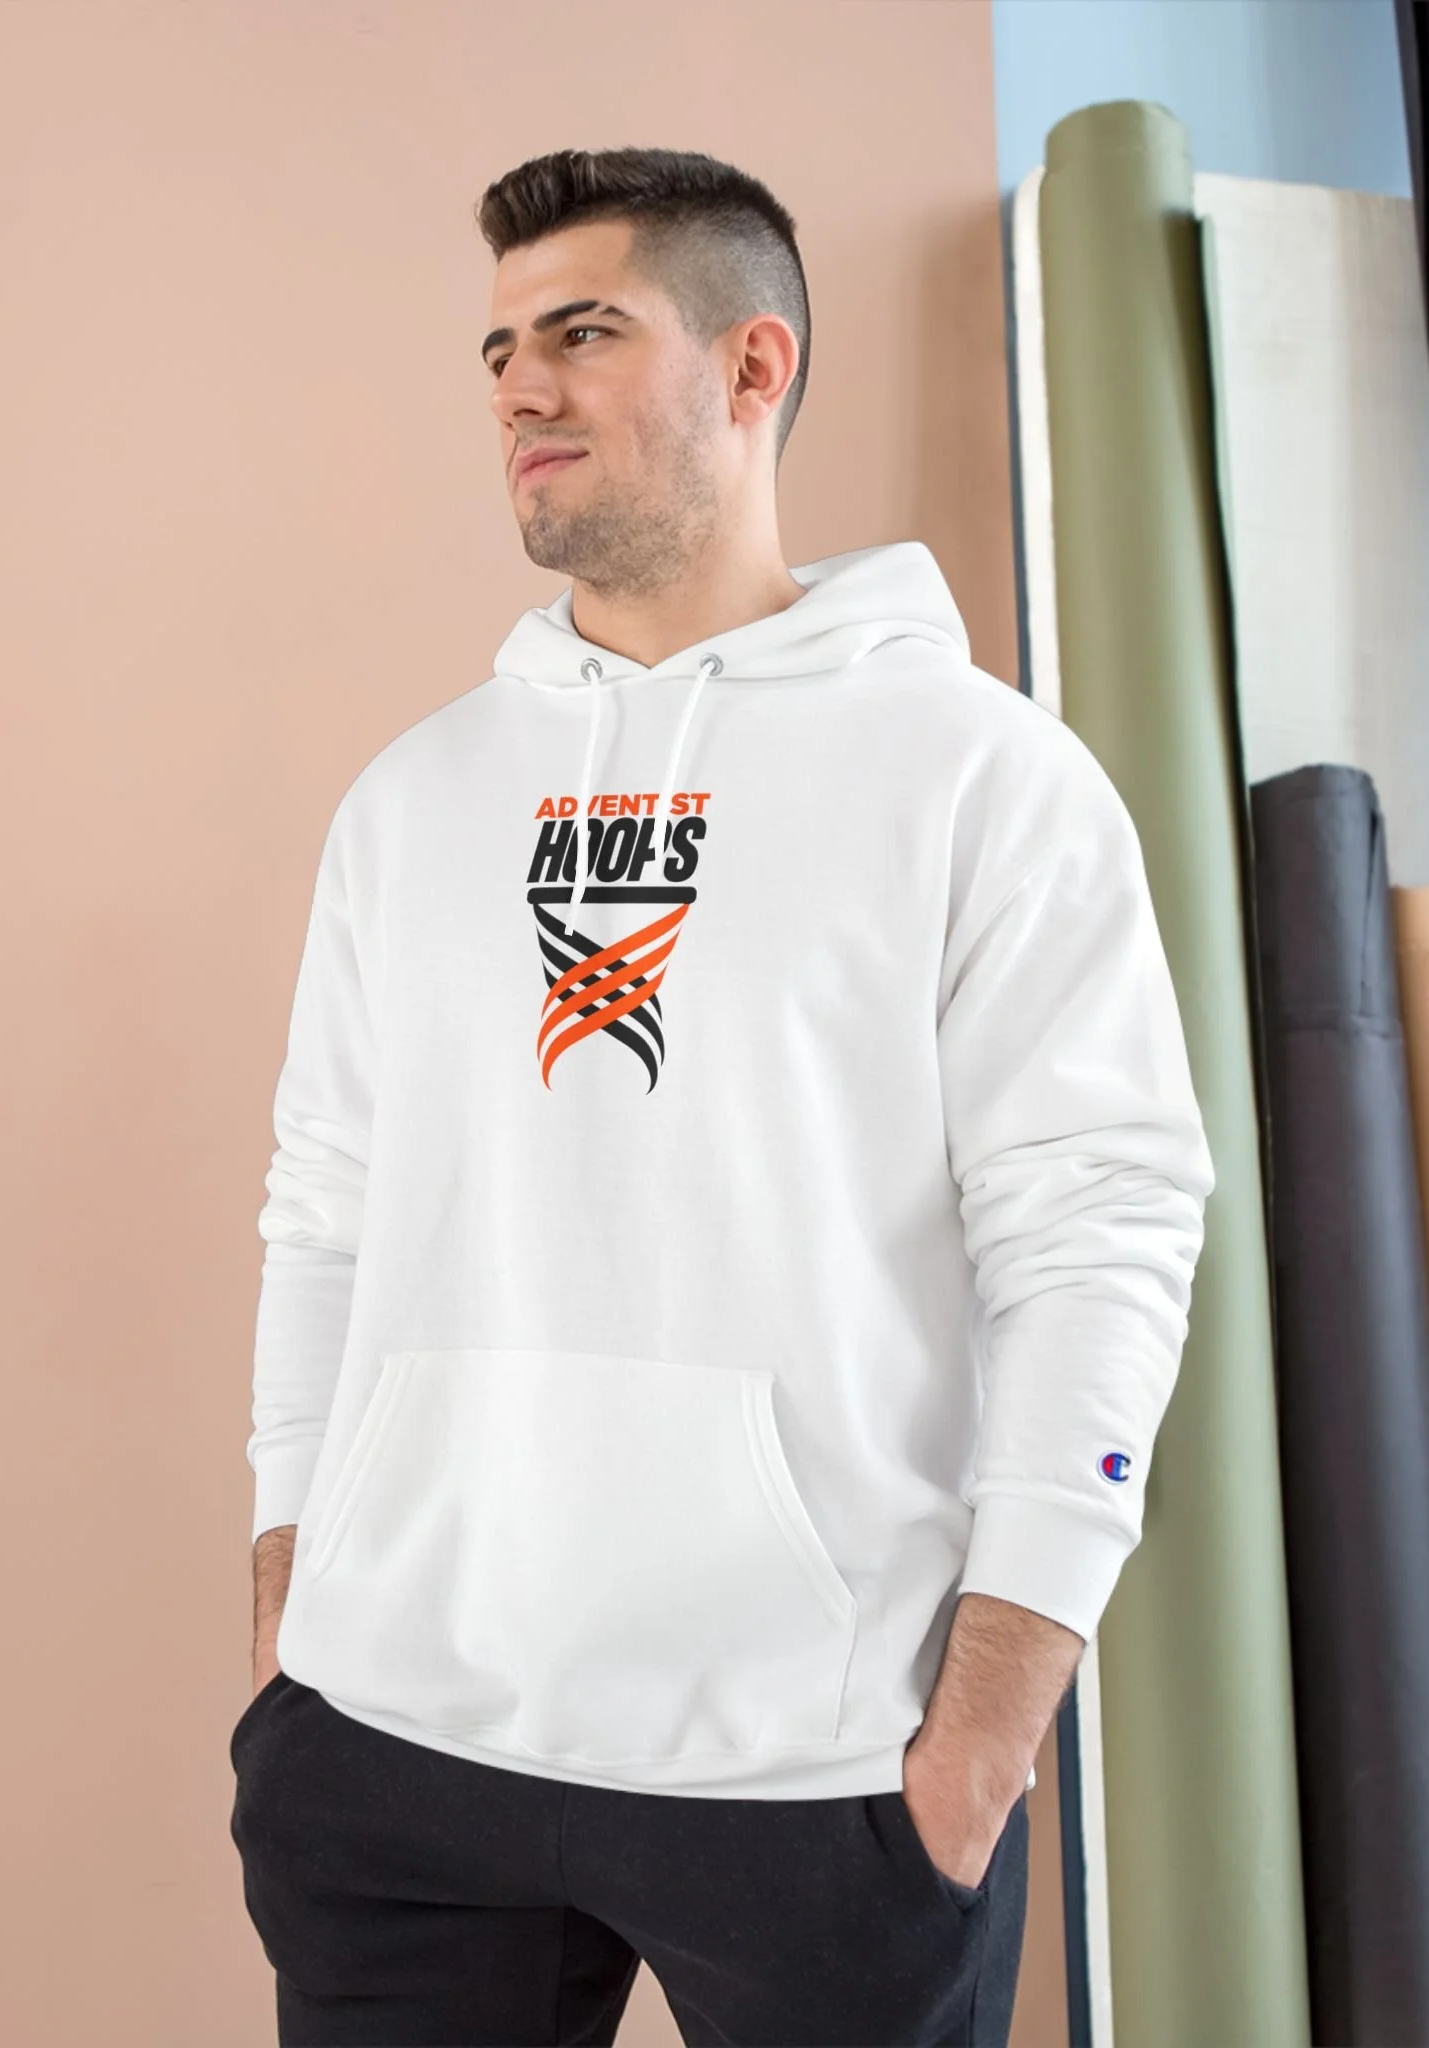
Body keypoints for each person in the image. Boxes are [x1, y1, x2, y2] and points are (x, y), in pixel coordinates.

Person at [227, 145, 1214, 2048]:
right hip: (395, 1741)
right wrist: (291, 1610)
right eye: (499, 349)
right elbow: (321, 1209)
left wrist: (989, 1728)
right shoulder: (414, 800)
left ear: (755, 366)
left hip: (817, 1765)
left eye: (584, 333)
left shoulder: (984, 780)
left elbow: (1100, 1238)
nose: (519, 388)